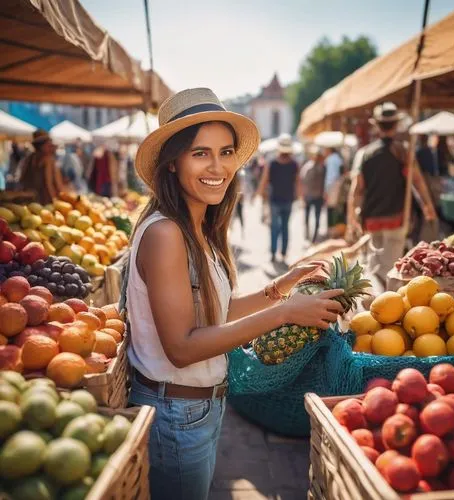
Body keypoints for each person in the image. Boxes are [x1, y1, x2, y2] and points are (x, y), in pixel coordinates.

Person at [123, 88, 344, 500]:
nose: (218, 166)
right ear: (172, 163)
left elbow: (213, 313)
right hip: (176, 412)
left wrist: (281, 287)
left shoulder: (195, 228)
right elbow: (183, 348)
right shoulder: (166, 233)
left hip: (196, 408)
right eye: (200, 153)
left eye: (226, 152)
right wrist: (285, 314)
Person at [348, 102, 437, 281]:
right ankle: (383, 299)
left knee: (375, 261)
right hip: (397, 217)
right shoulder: (404, 151)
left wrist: (351, 217)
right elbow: (418, 182)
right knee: (390, 266)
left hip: (371, 218)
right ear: (396, 125)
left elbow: (357, 190)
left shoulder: (364, 154)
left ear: (376, 125)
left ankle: (375, 296)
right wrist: (428, 206)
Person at [256, 134, 300, 263]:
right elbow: (298, 182)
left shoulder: (272, 163)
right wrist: (300, 197)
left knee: (274, 227)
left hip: (274, 199)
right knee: (285, 226)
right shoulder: (294, 164)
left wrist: (259, 194)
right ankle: (284, 252)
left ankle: (273, 252)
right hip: (288, 199)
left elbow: (264, 180)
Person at [19, 129, 65, 204]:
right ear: (42, 146)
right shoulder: (48, 159)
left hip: (31, 200)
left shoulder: (29, 158)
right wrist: (55, 200)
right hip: (45, 200)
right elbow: (49, 183)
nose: (51, 147)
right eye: (49, 145)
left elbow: (22, 179)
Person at [300, 145, 325, 243]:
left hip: (316, 196)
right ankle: (309, 236)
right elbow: (302, 181)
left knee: (315, 218)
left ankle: (313, 236)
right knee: (310, 217)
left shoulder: (321, 167)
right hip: (311, 195)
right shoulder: (309, 167)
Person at [324, 145, 344, 237]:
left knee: (332, 209)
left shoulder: (331, 159)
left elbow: (330, 177)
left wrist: (326, 190)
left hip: (332, 185)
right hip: (337, 185)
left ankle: (332, 230)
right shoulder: (338, 159)